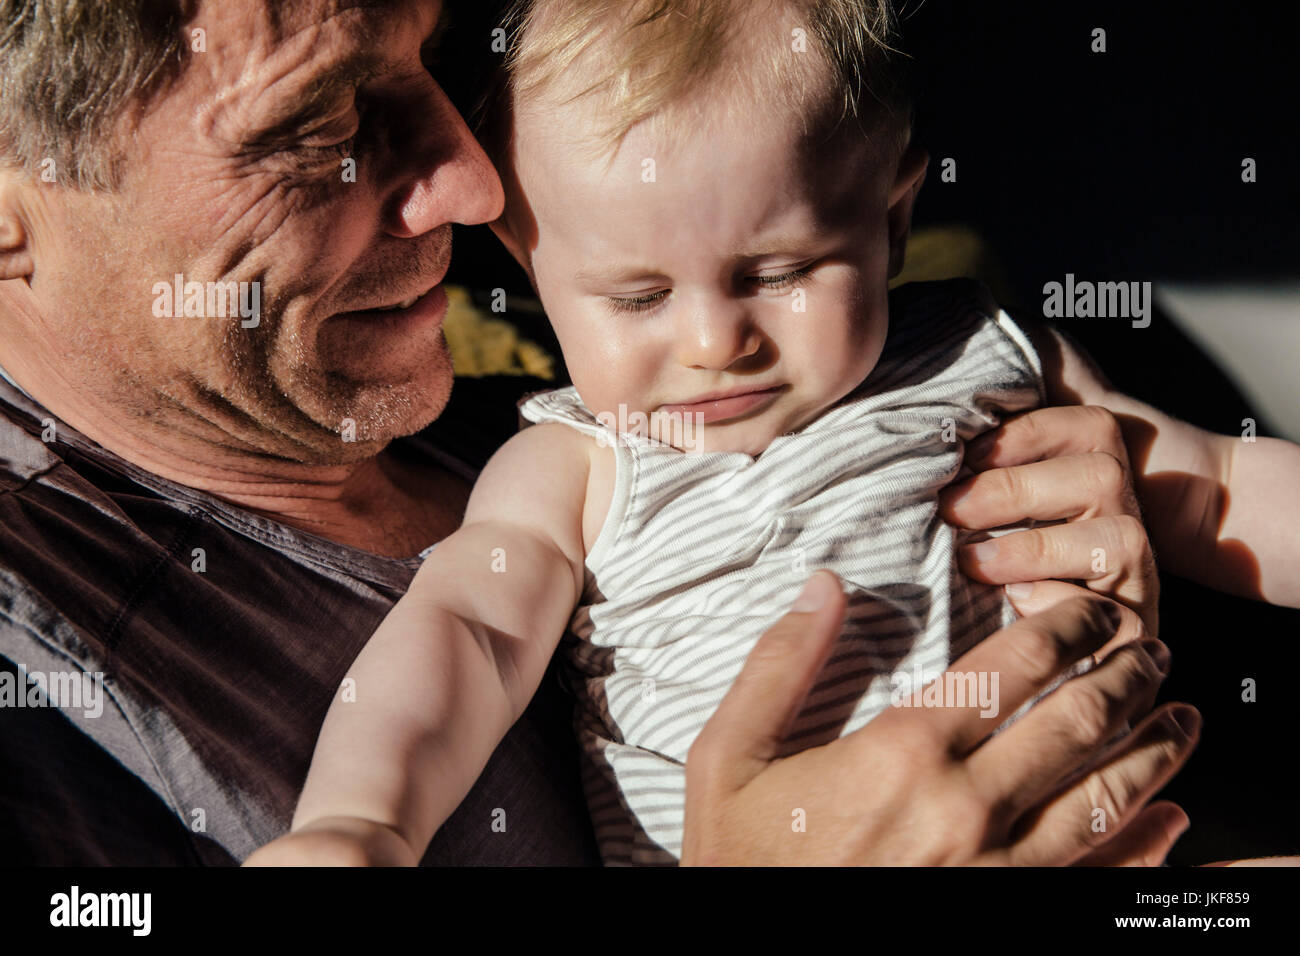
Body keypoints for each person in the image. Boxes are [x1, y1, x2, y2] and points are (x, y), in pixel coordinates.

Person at [0, 0, 1193, 866]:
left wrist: (1127, 502)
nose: (476, 190)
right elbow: (464, 632)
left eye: (437, 59)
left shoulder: (506, 380)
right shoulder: (46, 702)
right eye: (318, 124)